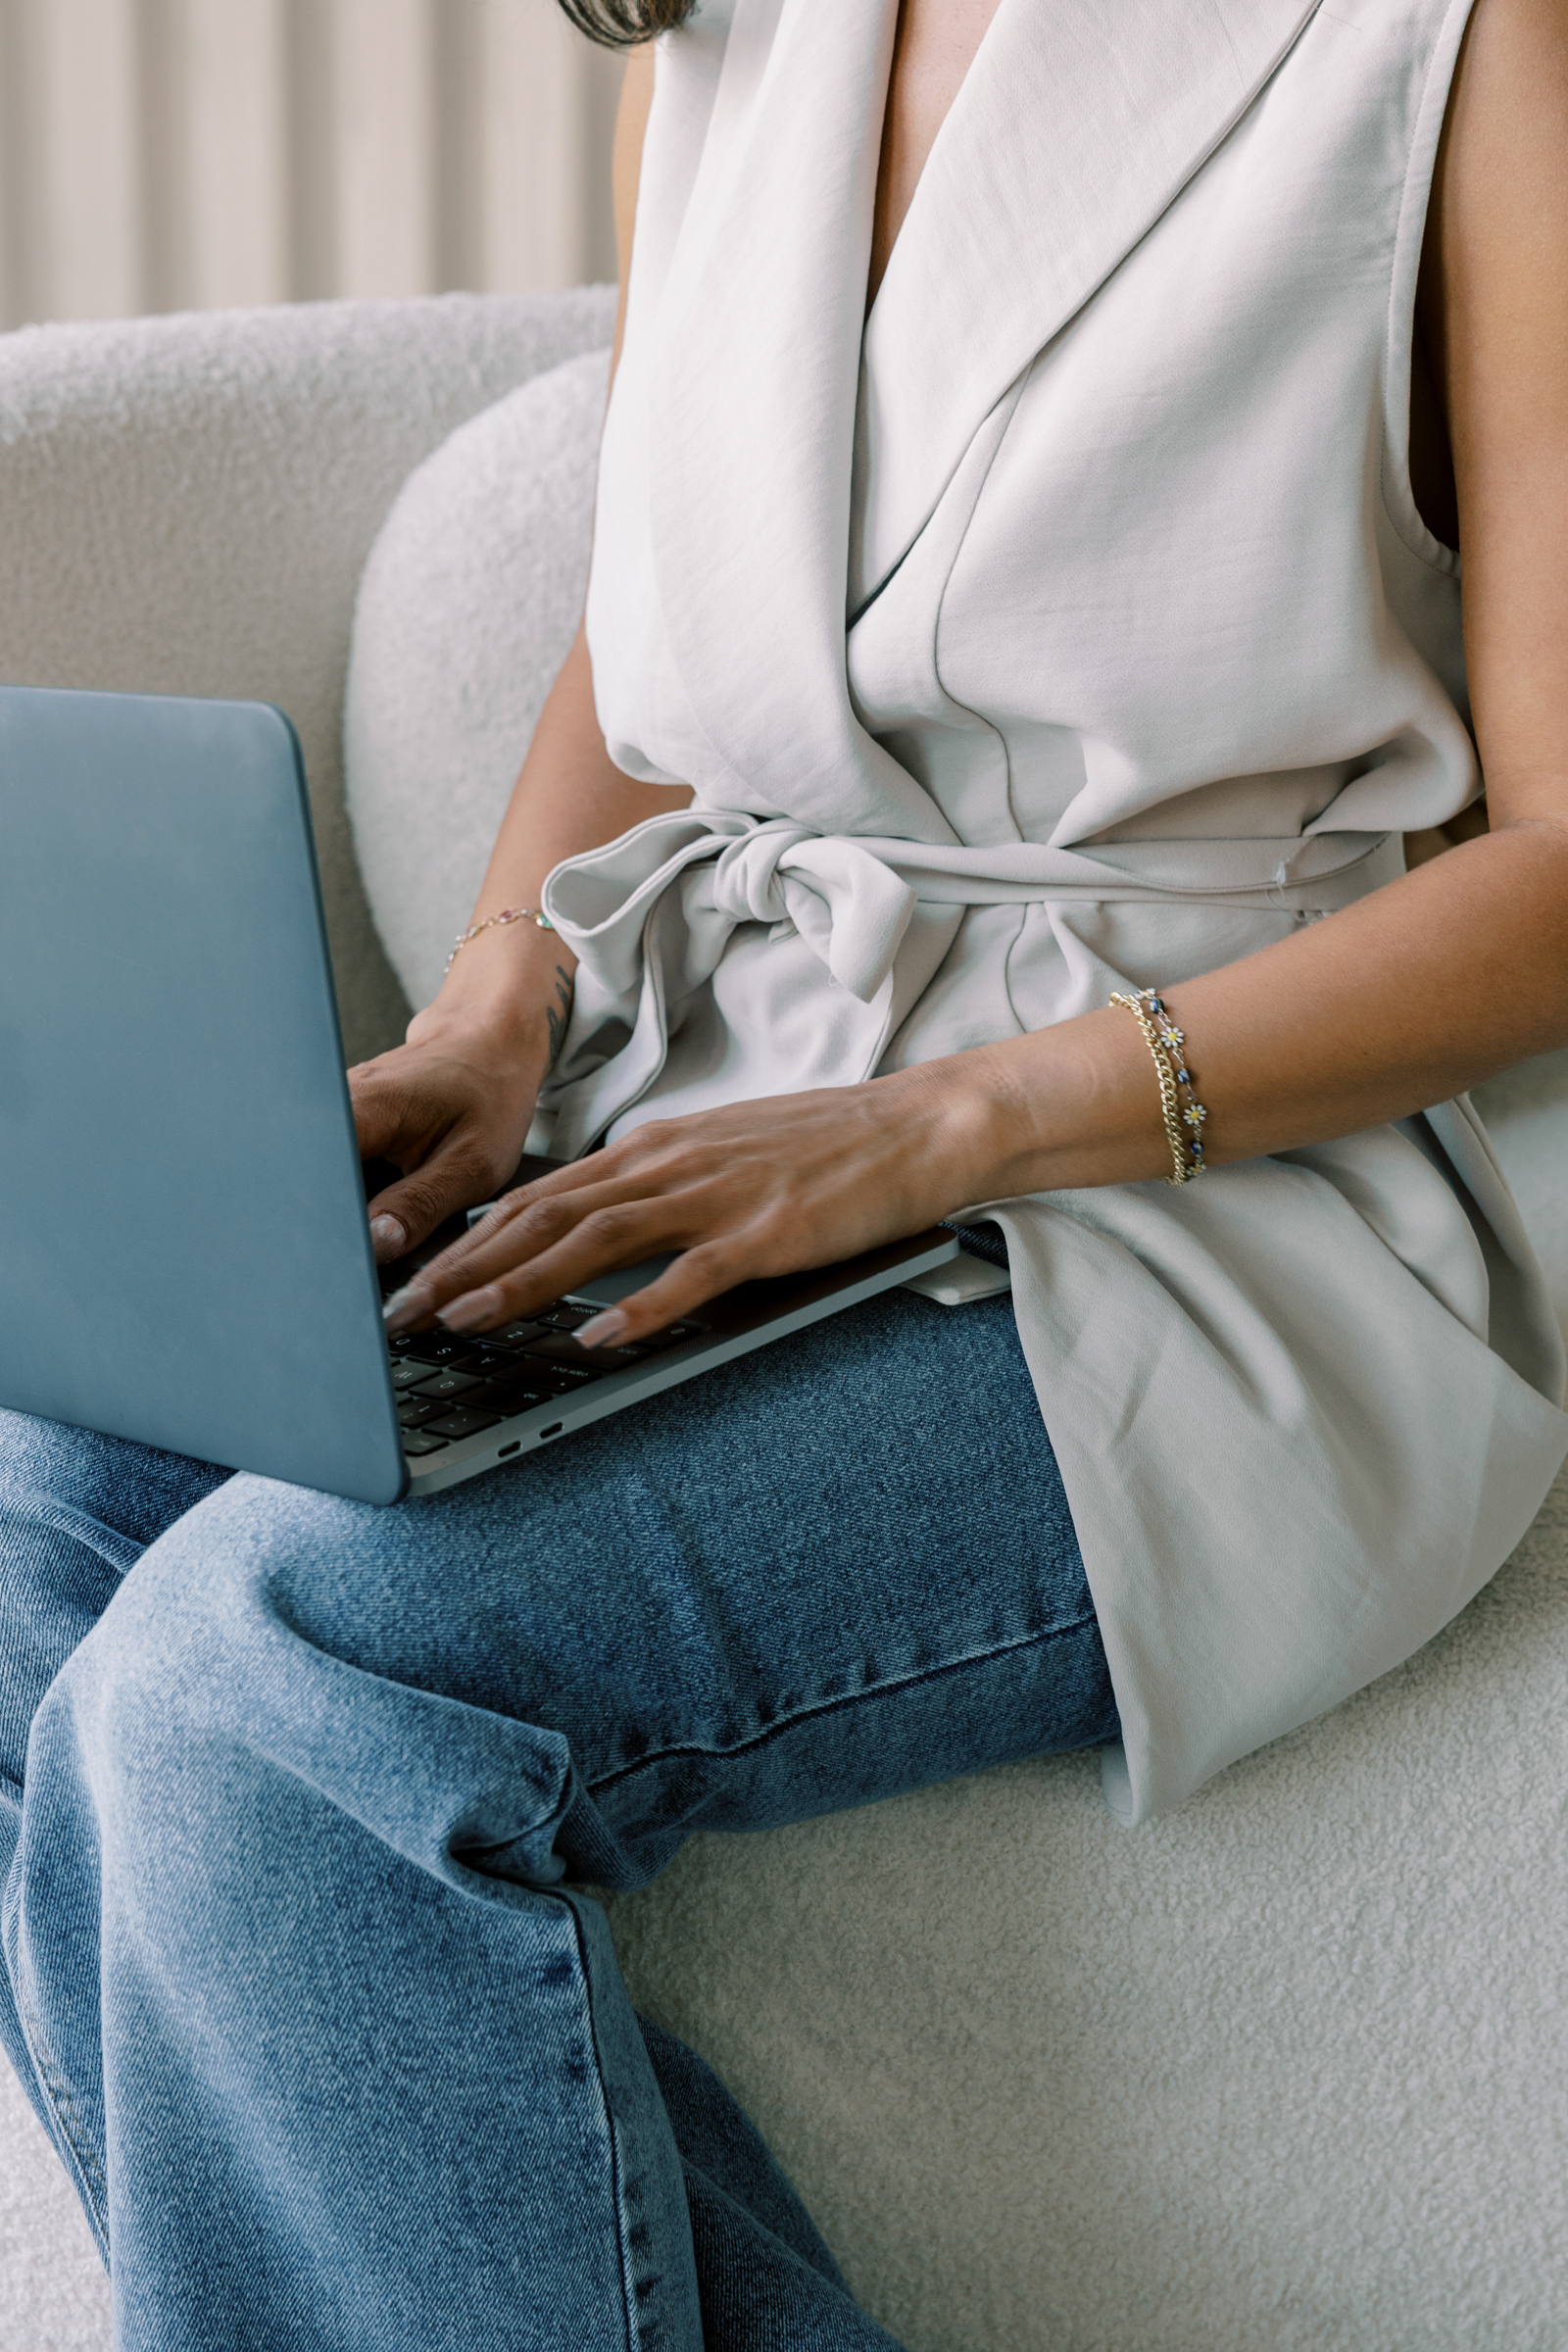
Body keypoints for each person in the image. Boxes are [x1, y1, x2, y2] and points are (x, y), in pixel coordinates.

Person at [3, 0, 1567, 2342]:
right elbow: (641, 654)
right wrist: (492, 1006)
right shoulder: (725, 36)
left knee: (258, 1698)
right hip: (709, 1095)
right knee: (37, 1536)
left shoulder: (1461, 43)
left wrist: (934, 1128)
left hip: (1211, 1199)